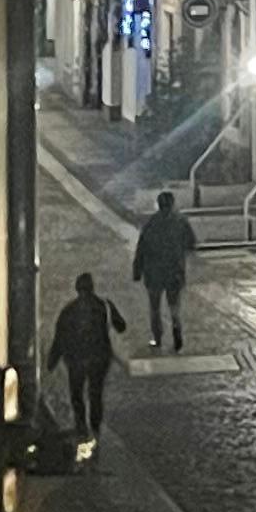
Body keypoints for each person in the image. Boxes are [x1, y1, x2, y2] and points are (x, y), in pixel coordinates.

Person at [46, 268, 126, 442]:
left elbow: (60, 337)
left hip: (76, 359)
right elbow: (121, 326)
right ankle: (95, 426)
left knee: (77, 393)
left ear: (77, 289)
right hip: (100, 357)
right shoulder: (104, 305)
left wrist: (52, 361)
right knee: (95, 392)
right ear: (92, 287)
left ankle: (81, 425)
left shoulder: (68, 310)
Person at [133, 185, 197, 351]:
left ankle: (157, 337)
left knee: (154, 308)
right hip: (174, 271)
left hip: (153, 273)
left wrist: (137, 271)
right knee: (174, 305)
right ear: (173, 204)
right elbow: (191, 244)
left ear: (159, 204)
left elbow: (141, 249)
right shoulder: (181, 222)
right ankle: (176, 331)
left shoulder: (151, 224)